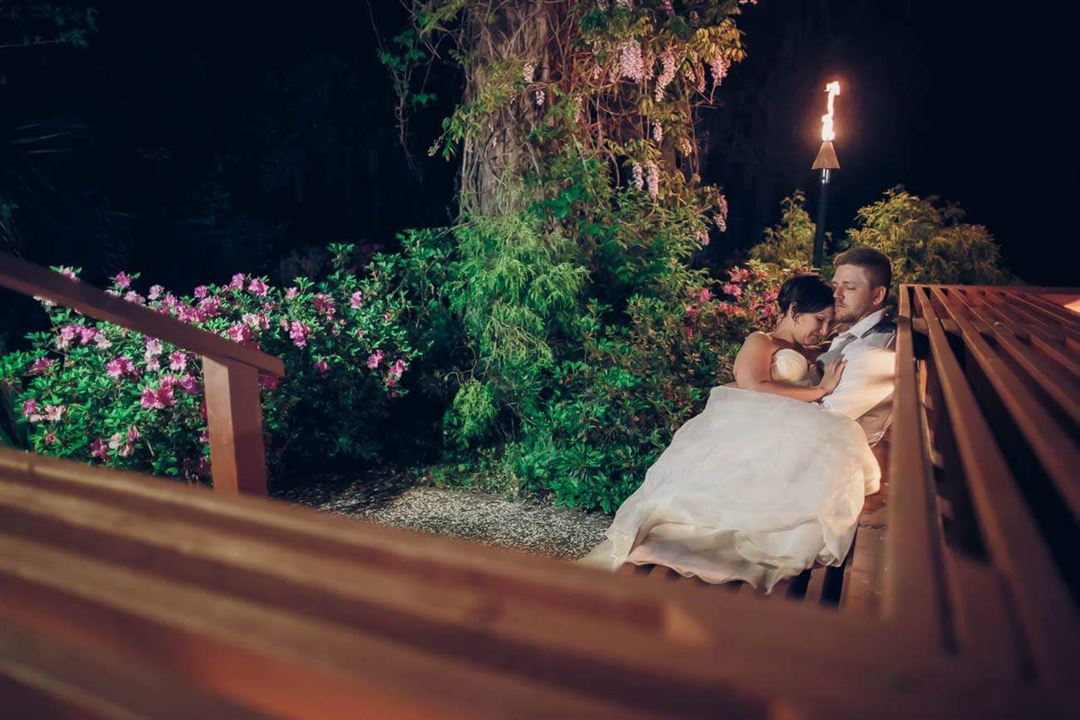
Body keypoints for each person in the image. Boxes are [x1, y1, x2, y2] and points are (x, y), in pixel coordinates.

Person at [580, 260, 895, 592]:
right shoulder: (761, 340)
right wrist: (820, 390)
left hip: (780, 427)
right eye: (819, 320)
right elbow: (754, 384)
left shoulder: (811, 350)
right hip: (750, 422)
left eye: (829, 321)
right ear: (794, 311)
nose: (825, 328)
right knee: (703, 496)